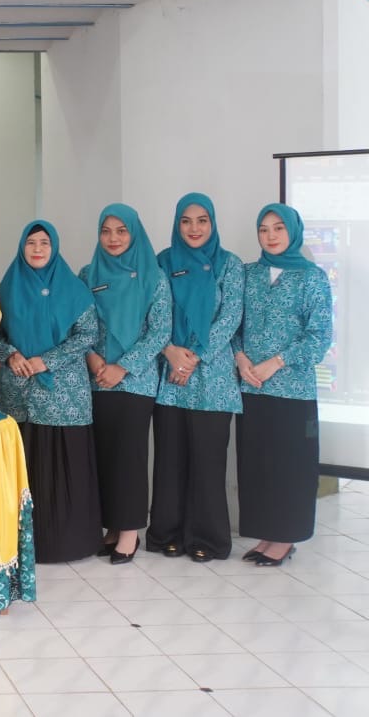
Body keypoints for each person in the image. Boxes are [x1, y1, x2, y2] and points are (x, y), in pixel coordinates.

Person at [0, 220, 100, 563]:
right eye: (31, 242)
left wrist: (46, 360)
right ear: (22, 247)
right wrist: (11, 355)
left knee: (62, 468)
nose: (37, 249)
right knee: (24, 467)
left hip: (64, 397)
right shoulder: (7, 288)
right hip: (19, 393)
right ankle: (22, 545)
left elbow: (88, 335)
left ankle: (68, 544)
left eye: (44, 243)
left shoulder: (74, 289)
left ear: (54, 248)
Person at [234, 203, 332, 567]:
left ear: (292, 232)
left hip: (292, 390)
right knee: (258, 464)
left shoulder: (312, 277)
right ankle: (267, 534)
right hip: (252, 387)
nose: (271, 235)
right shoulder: (248, 274)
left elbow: (320, 337)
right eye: (264, 229)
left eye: (278, 228)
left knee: (289, 465)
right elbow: (233, 324)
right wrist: (240, 358)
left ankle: (285, 538)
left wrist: (276, 362)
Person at [148, 194, 244, 563]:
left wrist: (193, 357)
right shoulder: (163, 262)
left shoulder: (229, 265)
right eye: (186, 221)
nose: (194, 228)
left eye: (202, 220)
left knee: (208, 461)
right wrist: (170, 351)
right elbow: (153, 312)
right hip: (170, 373)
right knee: (170, 459)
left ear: (212, 223)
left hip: (213, 377)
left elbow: (231, 317)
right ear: (177, 224)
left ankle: (208, 538)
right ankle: (167, 534)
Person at [80, 204, 171, 564]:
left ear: (134, 233)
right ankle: (112, 527)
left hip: (136, 382)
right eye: (106, 231)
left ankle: (130, 532)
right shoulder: (87, 274)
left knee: (128, 457)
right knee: (103, 456)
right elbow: (78, 324)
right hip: (97, 380)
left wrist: (124, 367)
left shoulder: (153, 276)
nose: (113, 238)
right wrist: (93, 359)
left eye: (121, 231)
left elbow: (159, 331)